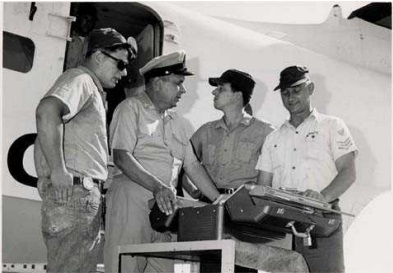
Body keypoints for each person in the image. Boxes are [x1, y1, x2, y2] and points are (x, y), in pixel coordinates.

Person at [104, 50, 222, 273]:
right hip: (133, 198)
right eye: (178, 83)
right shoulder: (131, 109)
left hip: (165, 207)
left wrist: (219, 201)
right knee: (127, 266)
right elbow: (121, 156)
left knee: (165, 269)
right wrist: (157, 187)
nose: (183, 90)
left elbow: (192, 166)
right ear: (157, 83)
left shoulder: (177, 122)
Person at [34, 28, 137, 273]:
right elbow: (47, 112)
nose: (123, 73)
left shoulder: (89, 87)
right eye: (120, 64)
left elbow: (48, 124)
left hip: (76, 197)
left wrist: (43, 173)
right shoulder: (81, 80)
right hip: (76, 196)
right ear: (99, 56)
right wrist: (57, 171)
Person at [256, 65, 358, 273]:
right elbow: (262, 187)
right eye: (285, 93)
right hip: (281, 222)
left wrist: (322, 197)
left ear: (310, 89)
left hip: (320, 218)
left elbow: (348, 172)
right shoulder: (273, 138)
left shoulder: (332, 126)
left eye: (296, 90)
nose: (290, 98)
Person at [190, 69, 274, 196]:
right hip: (208, 206)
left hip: (243, 207)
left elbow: (270, 180)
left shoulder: (265, 132)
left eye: (221, 88)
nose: (214, 92)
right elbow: (181, 161)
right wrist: (192, 191)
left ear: (238, 95)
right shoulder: (205, 131)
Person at [65, 3, 97, 70]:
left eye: (91, 20)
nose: (88, 23)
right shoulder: (66, 37)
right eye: (86, 18)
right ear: (78, 17)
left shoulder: (93, 43)